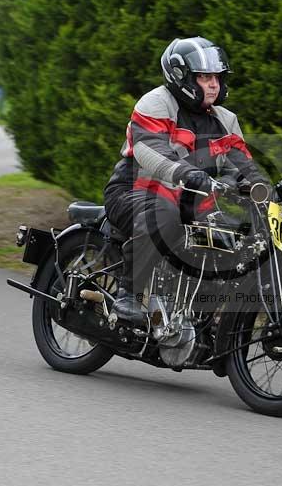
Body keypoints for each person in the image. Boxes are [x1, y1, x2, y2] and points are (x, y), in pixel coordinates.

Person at [103, 36, 268, 327]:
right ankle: (129, 295)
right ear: (182, 77)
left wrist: (264, 190)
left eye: (217, 77)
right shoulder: (156, 103)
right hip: (134, 190)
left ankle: (200, 318)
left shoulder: (225, 120)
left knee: (231, 234)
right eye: (205, 77)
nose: (214, 85)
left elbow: (242, 165)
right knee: (161, 214)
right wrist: (185, 173)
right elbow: (149, 149)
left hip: (191, 203)